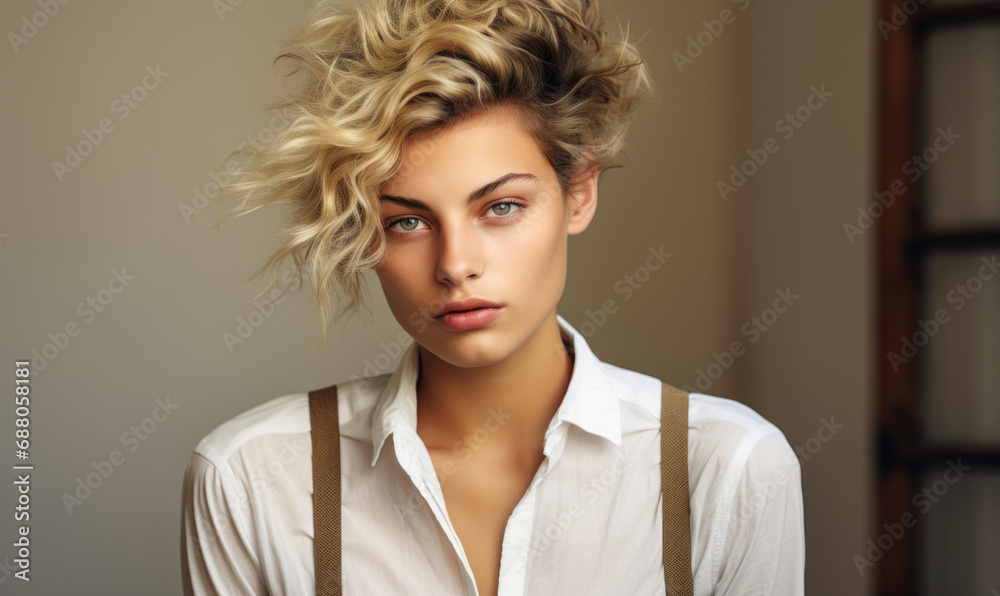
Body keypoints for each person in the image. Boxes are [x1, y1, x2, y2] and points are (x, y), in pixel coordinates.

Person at [180, 0, 806, 594]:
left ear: (579, 192)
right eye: (407, 221)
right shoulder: (250, 478)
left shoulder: (728, 470)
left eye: (501, 207)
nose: (455, 266)